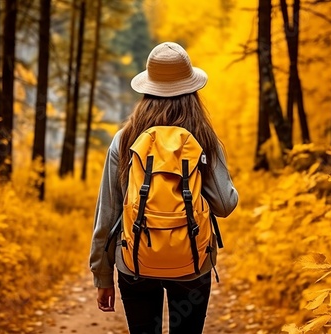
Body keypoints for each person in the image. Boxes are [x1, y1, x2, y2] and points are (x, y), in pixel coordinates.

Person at [89, 42, 239, 334]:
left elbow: (106, 215)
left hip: (134, 264)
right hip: (192, 263)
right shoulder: (204, 139)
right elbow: (225, 205)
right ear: (192, 91)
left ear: (147, 90)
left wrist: (102, 275)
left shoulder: (124, 139)